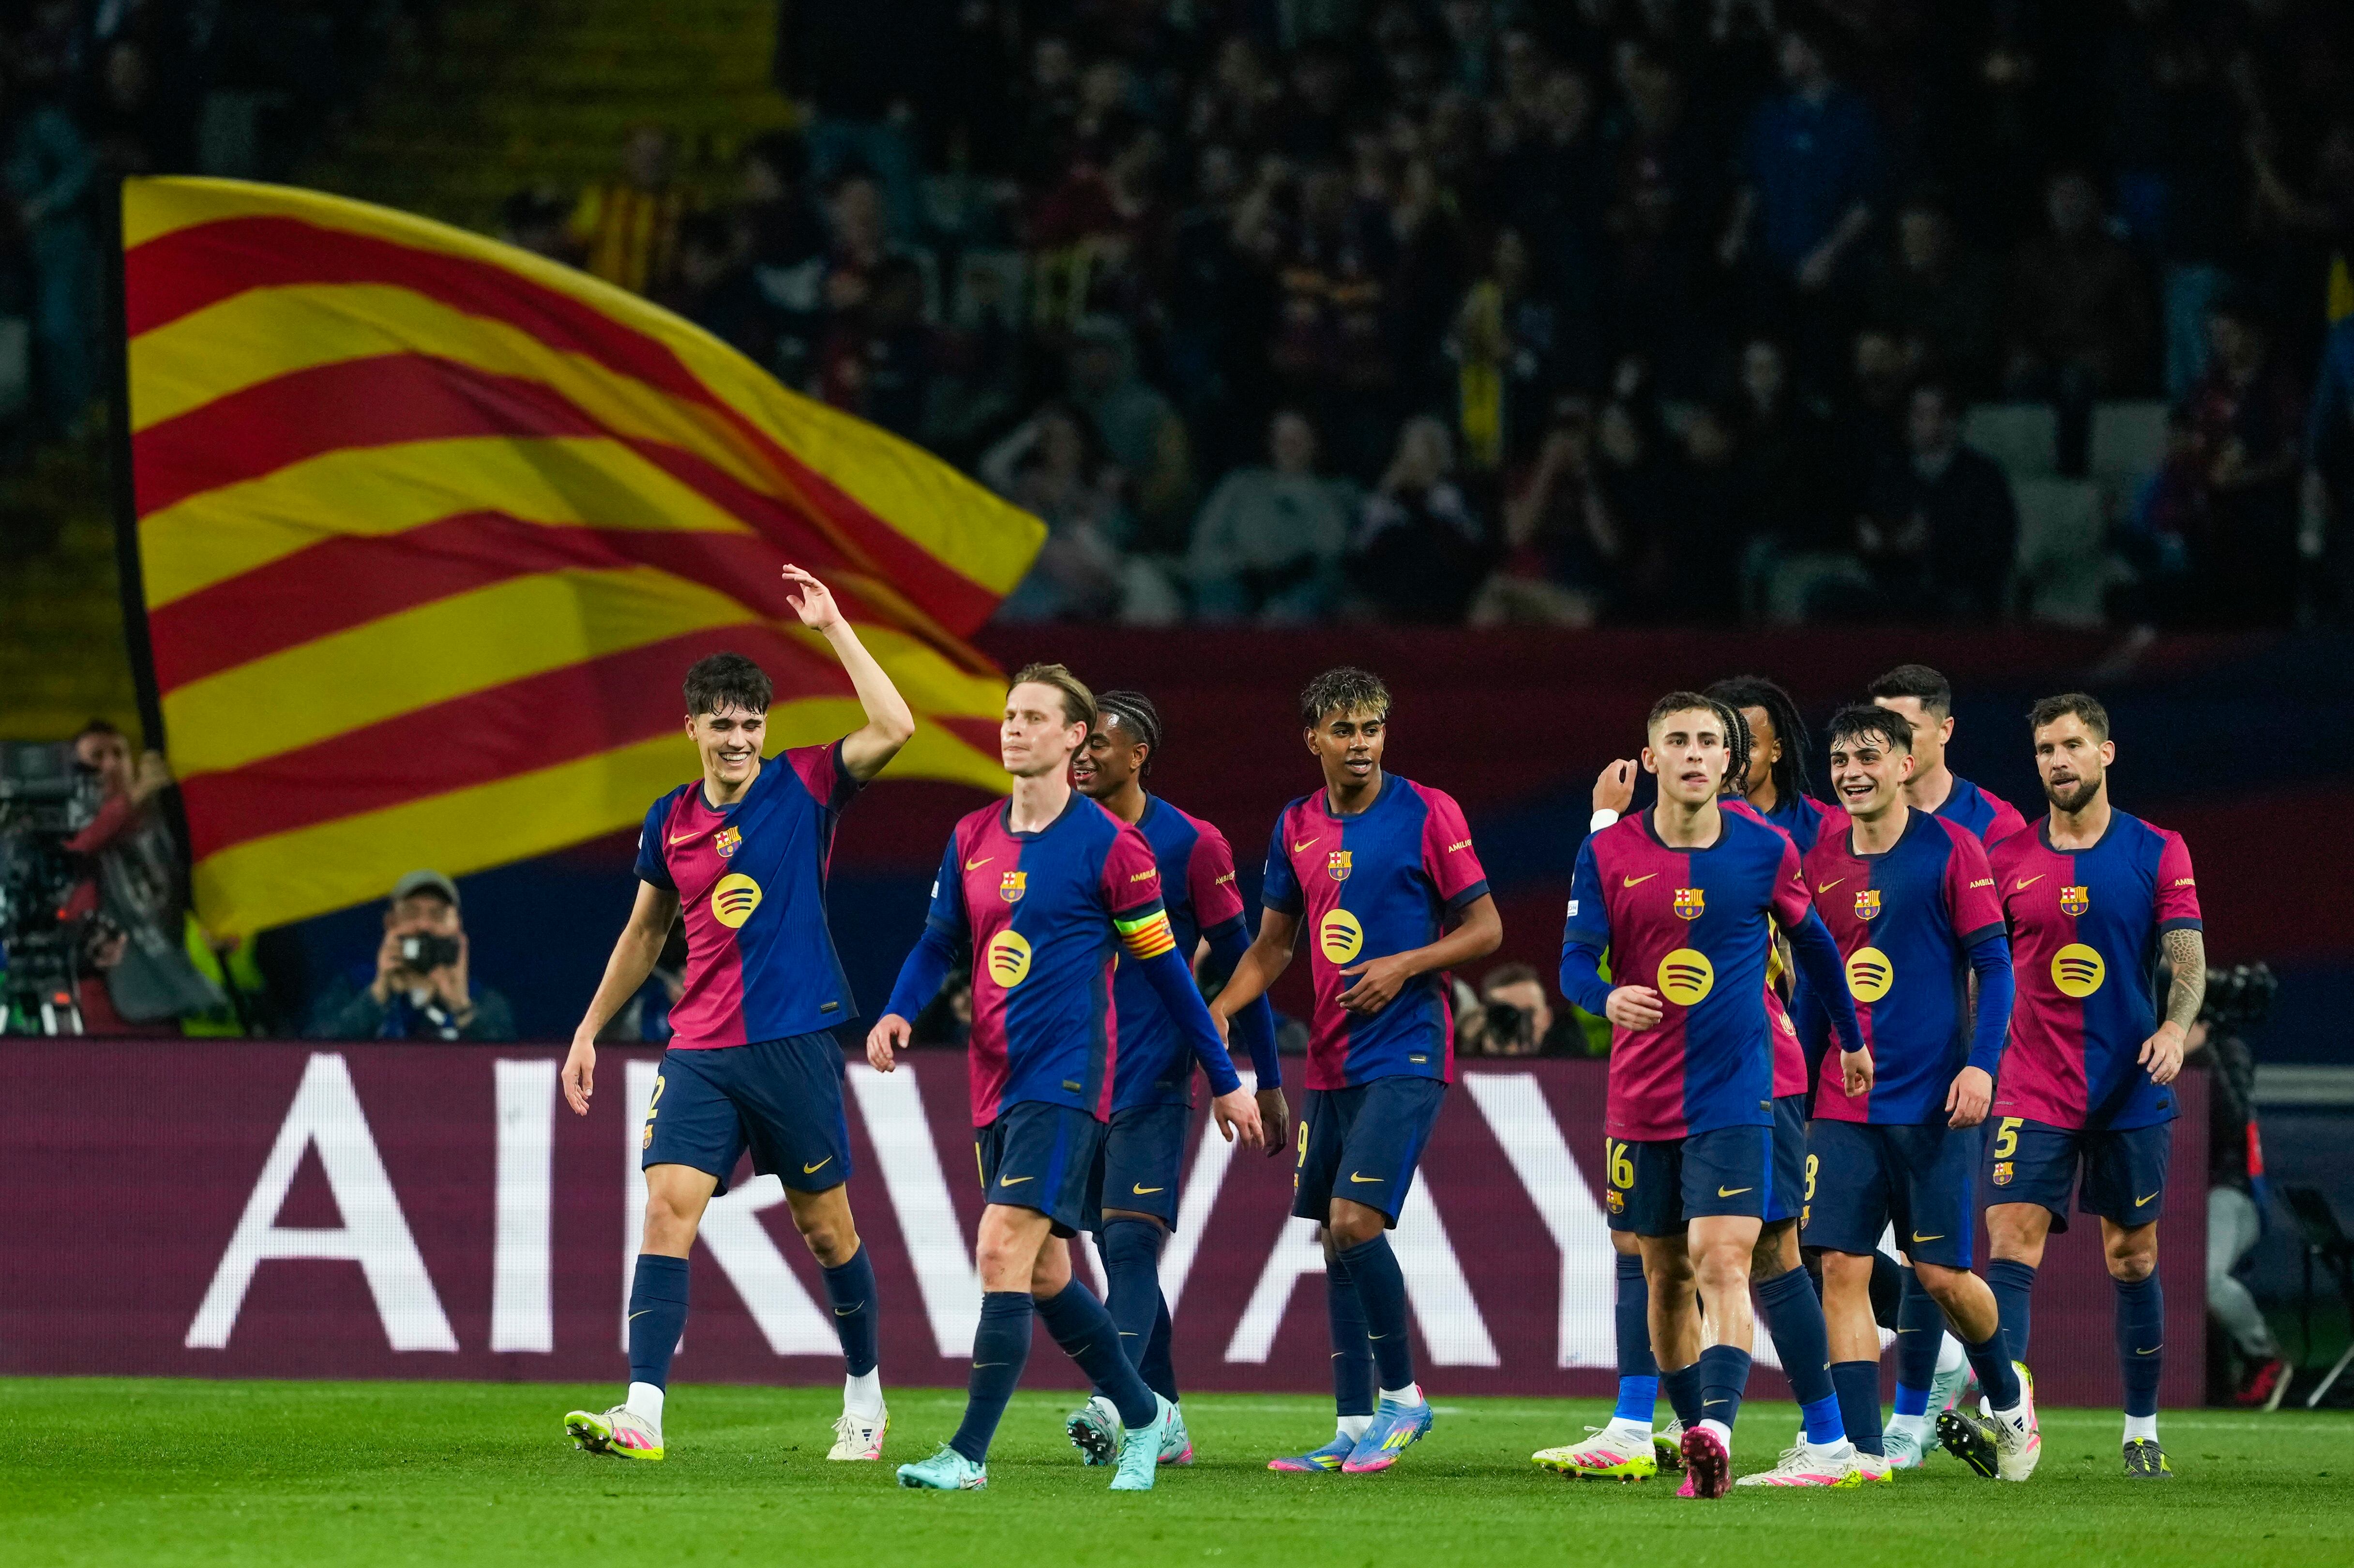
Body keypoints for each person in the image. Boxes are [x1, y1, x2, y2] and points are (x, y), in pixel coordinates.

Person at [868, 664, 1264, 1493]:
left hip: (1069, 1077)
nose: (1014, 729)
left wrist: (1228, 1077)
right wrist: (899, 1008)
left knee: (999, 1248)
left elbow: (1169, 974)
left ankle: (967, 1456)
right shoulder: (971, 835)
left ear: (1074, 736)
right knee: (1047, 1273)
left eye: (1034, 718)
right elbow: (938, 941)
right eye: (1009, 715)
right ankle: (1145, 1414)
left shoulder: (1113, 848)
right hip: (993, 1079)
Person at [556, 567, 915, 1466]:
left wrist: (833, 627)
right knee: (665, 1211)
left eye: (751, 724)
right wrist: (589, 1029)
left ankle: (865, 1396)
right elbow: (646, 933)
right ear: (692, 729)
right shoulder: (668, 820)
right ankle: (643, 1412)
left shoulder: (805, 785)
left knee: (825, 1230)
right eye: (722, 725)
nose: (739, 740)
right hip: (702, 1048)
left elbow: (895, 727)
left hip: (792, 1042)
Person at [1557, 694, 1869, 1498]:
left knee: (1726, 1259)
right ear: (1650, 757)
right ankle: (1701, 1432)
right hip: (1641, 1097)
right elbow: (1573, 965)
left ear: (1729, 761)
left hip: (1739, 1088)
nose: (1693, 753)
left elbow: (1817, 947)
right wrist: (1606, 998)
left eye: (1708, 741)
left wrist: (1851, 1039)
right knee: (1663, 1274)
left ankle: (1719, 1432)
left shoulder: (1763, 849)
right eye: (1677, 740)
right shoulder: (1606, 851)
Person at [1209, 667, 1501, 1475]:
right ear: (1313, 739)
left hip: (1408, 1048)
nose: (1361, 743)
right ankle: (1350, 1424)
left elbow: (1485, 927)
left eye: (1371, 728)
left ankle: (1403, 1401)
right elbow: (1274, 946)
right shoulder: (1295, 824)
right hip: (1332, 1059)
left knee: (1353, 1222)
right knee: (1331, 1240)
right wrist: (1220, 1011)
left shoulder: (1427, 812)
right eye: (1344, 730)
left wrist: (1404, 965)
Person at [1797, 704, 2039, 1482]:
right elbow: (1814, 986)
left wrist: (1983, 1065)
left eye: (1868, 757)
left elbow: (1995, 966)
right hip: (1842, 1100)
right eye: (1841, 761)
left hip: (1935, 1100)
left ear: (1905, 765)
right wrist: (1795, 1085)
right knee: (1839, 1265)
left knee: (1939, 1276)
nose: (1852, 773)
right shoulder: (1820, 859)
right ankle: (1860, 1453)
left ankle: (2008, 1399)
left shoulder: (1952, 848)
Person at [1980, 693, 2203, 1480]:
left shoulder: (2155, 849)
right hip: (2030, 1086)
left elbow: (2185, 960)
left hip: (2127, 1086)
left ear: (2104, 753)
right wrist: (1979, 1053)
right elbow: (1985, 971)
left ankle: (2140, 1431)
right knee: (2009, 1242)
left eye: (2072, 745)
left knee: (2131, 1258)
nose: (2057, 761)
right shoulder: (2005, 860)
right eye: (2045, 749)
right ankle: (2008, 1421)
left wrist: (2173, 1029)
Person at [1059, 692, 1284, 1468]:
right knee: (1109, 1247)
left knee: (1129, 1243)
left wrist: (1263, 1076)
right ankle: (1170, 1418)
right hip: (1073, 1082)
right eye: (1078, 743)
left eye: (1099, 743)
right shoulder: (1055, 837)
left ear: (1139, 756)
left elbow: (1244, 962)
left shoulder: (1191, 843)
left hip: (1154, 1075)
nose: (1084, 756)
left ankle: (1114, 1401)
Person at [1865, 661, 2023, 1439]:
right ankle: (1947, 1373)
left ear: (1945, 730)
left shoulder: (1993, 826)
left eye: (1905, 728)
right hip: (1864, 1063)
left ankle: (1912, 1412)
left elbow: (2010, 951)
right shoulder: (1852, 822)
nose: (1887, 746)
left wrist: (1981, 1059)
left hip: (1954, 1063)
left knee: (1925, 1247)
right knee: (1829, 1242)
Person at [1861, 382, 2019, 621]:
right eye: (1916, 414)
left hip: (1960, 593)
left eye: (1931, 414)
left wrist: (1933, 542)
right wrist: (1888, 544)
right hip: (1897, 591)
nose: (1921, 423)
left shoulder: (1983, 476)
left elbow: (1995, 546)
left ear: (1952, 420)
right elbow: (1874, 532)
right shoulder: (1892, 472)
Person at [307, 870, 513, 1043]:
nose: (424, 926)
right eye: (411, 914)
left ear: (457, 927)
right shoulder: (353, 987)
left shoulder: (482, 1001)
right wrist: (378, 995)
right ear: (390, 923)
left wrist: (461, 1007)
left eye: (438, 915)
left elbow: (509, 1068)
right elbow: (310, 1057)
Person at [1867, 663, 2028, 844]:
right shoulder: (1852, 816)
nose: (1889, 742)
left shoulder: (1996, 823)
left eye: (1907, 729)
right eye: (1882, 729)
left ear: (1945, 731)